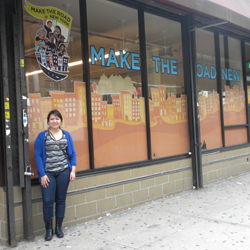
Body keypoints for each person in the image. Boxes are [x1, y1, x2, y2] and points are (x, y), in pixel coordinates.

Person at [34, 110, 76, 241]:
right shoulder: (42, 136)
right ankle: (49, 230)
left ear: (61, 121)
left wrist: (73, 171)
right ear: (48, 121)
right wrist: (42, 174)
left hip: (64, 172)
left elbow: (72, 154)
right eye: (52, 119)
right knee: (47, 201)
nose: (54, 121)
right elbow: (38, 155)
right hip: (48, 174)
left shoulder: (66, 135)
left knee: (61, 200)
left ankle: (58, 228)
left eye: (57, 119)